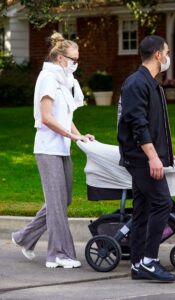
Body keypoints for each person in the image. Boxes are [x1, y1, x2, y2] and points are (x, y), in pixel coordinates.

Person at [11, 31, 94, 268]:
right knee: (56, 202)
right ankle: (58, 254)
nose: (76, 64)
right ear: (60, 58)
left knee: (64, 199)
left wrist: (78, 135)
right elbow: (47, 117)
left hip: (62, 148)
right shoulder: (48, 78)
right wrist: (69, 135)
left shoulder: (64, 81)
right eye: (74, 59)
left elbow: (65, 116)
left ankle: (24, 237)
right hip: (48, 149)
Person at [117, 35, 175, 282]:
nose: (168, 57)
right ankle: (149, 261)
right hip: (141, 158)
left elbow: (152, 124)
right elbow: (137, 124)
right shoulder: (136, 84)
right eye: (167, 52)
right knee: (163, 203)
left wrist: (163, 155)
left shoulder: (150, 83)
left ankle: (138, 264)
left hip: (147, 156)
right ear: (158, 55)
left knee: (142, 210)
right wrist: (153, 157)